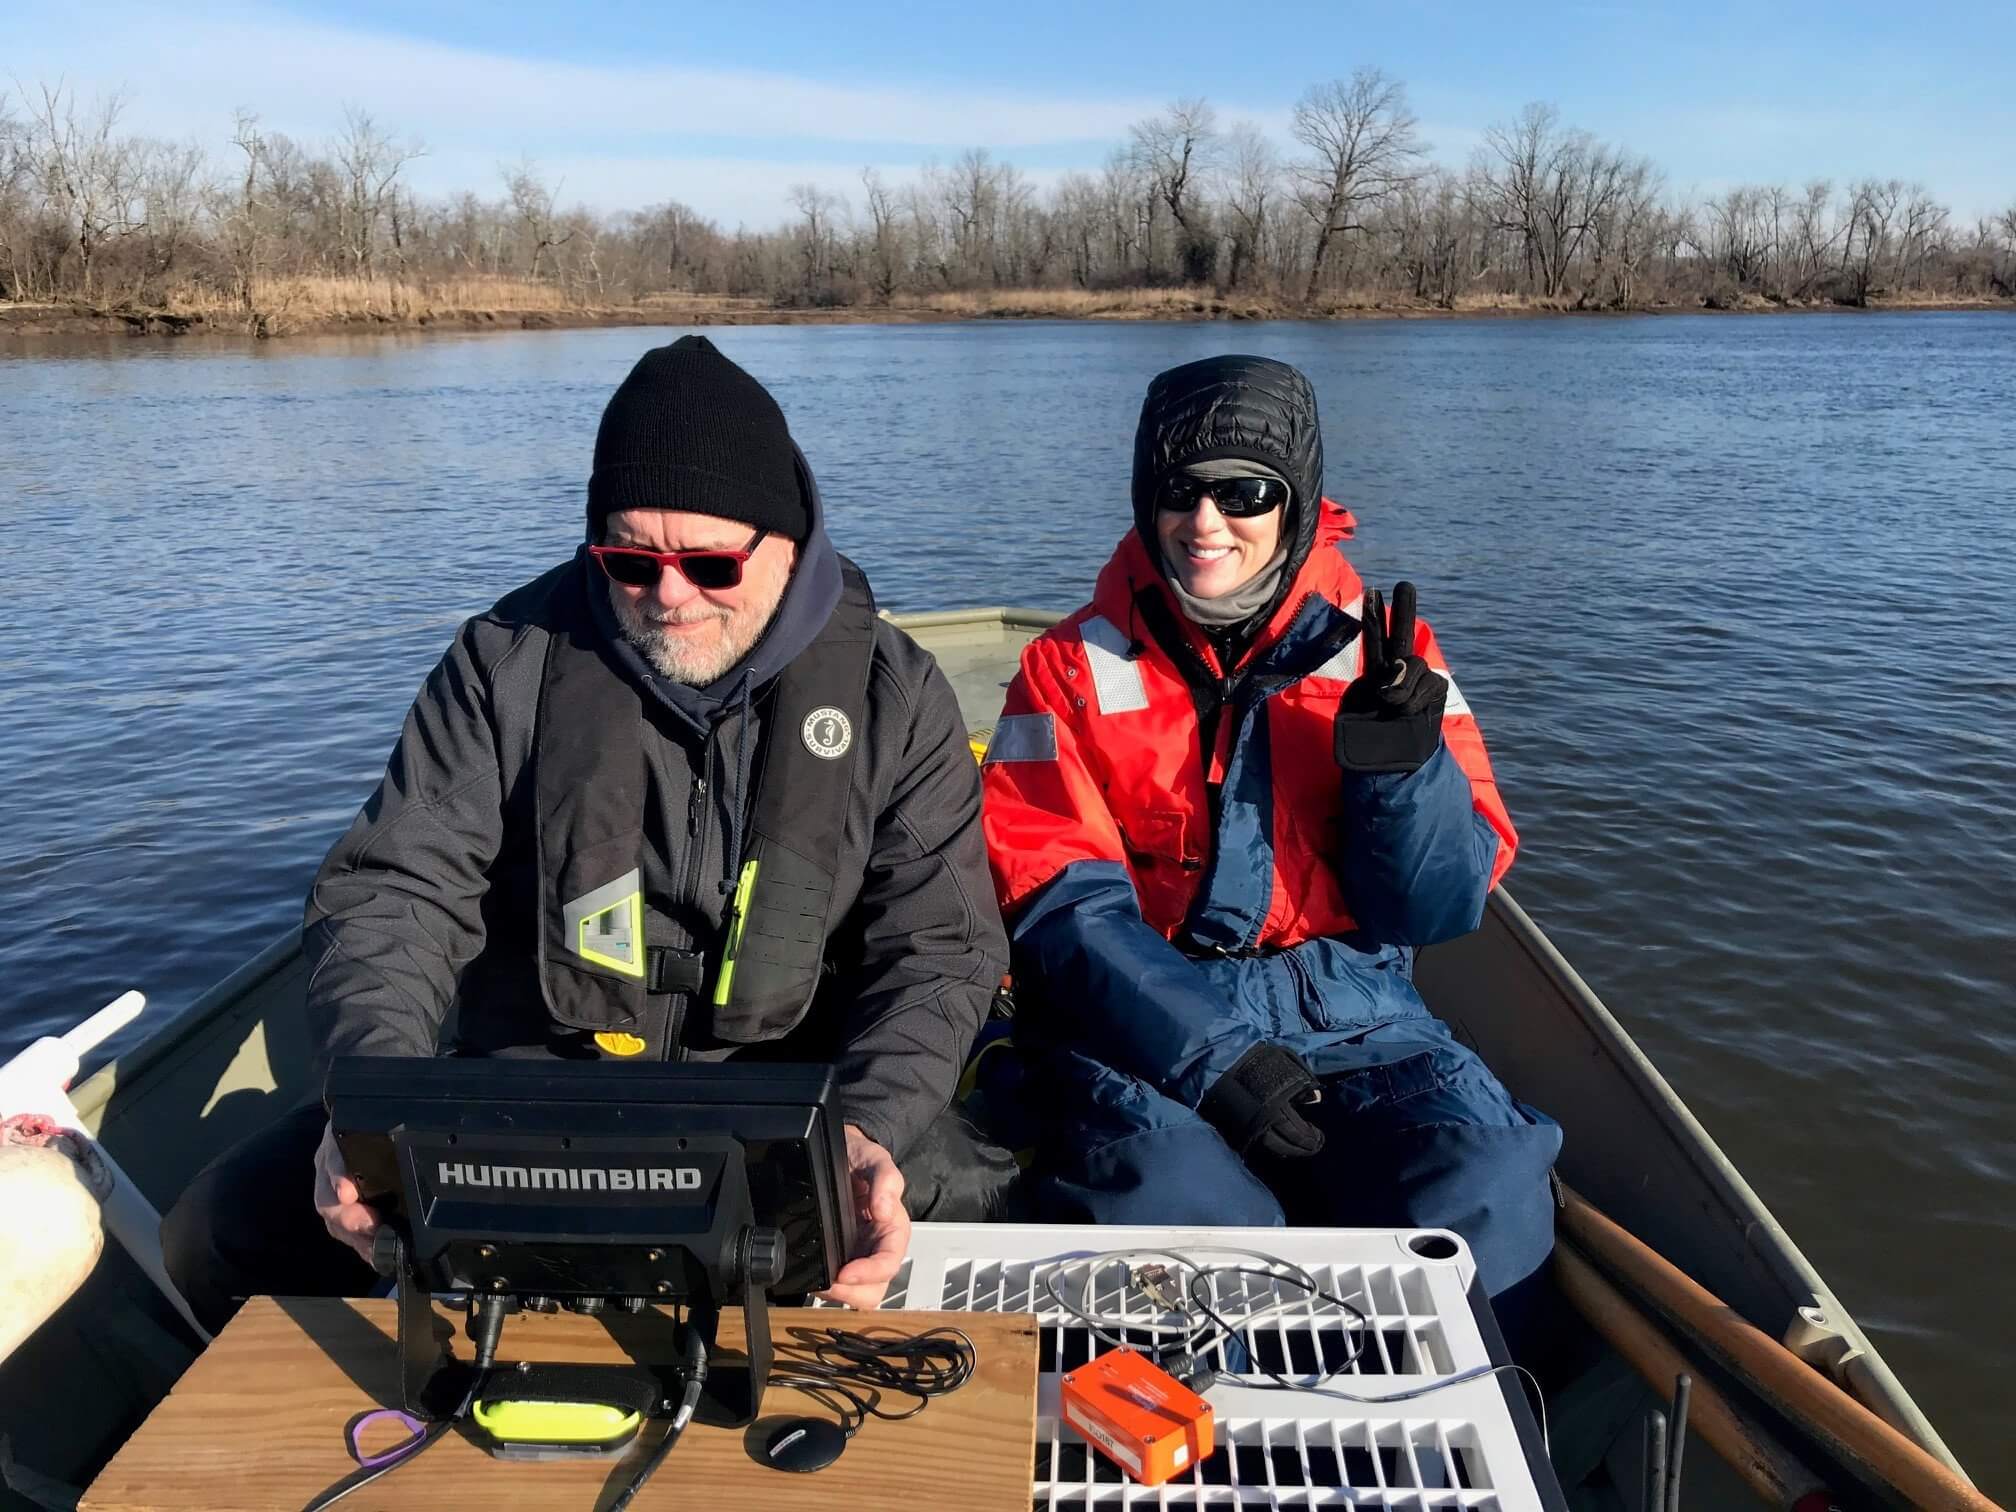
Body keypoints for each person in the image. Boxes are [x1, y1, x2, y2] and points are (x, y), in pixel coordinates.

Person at [162, 336, 1011, 1332]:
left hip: (799, 1114)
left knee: (993, 1209)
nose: (670, 595)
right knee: (216, 1229)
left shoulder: (894, 694)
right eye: (629, 561)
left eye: (709, 561)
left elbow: (941, 947)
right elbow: (393, 893)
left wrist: (871, 1125)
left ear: (790, 541)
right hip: (538, 1100)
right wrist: (374, 1105)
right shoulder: (502, 666)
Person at [978, 354, 1561, 1301]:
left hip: (1363, 1012)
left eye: (1243, 491)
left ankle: (1460, 1435)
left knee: (1484, 1181)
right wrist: (1218, 1058)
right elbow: (1059, 907)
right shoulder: (1062, 668)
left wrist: (1402, 768)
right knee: (1174, 1208)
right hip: (1148, 1020)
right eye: (1178, 492)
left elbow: (1441, 907)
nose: (1206, 523)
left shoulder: (1391, 654)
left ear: (1297, 501)